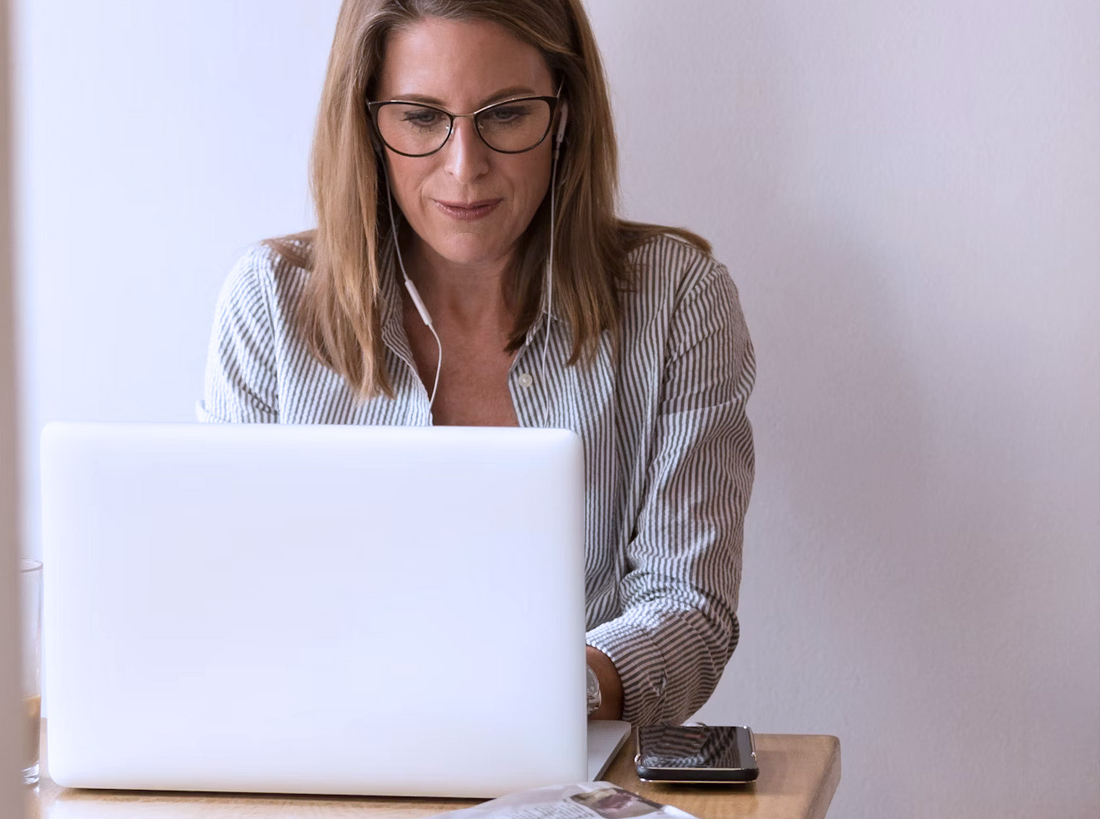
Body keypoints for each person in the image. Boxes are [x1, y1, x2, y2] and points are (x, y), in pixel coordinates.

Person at [198, 0, 755, 727]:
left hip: (566, 774)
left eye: (506, 114)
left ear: (564, 113)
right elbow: (231, 600)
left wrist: (546, 697)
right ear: (366, 120)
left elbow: (690, 608)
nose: (465, 168)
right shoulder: (270, 304)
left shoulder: (678, 300)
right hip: (323, 766)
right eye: (422, 118)